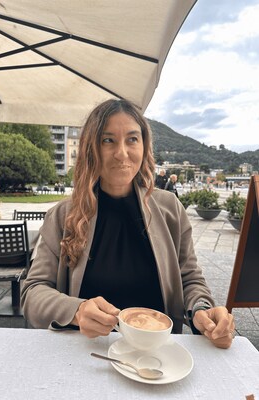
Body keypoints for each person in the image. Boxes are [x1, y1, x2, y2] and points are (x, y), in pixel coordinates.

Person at [21, 99, 234, 349]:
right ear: (92, 148)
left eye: (132, 139)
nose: (122, 153)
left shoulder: (170, 209)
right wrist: (76, 310)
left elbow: (190, 279)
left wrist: (202, 310)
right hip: (86, 353)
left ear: (144, 146)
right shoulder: (62, 216)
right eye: (108, 140)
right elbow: (32, 292)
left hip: (157, 355)